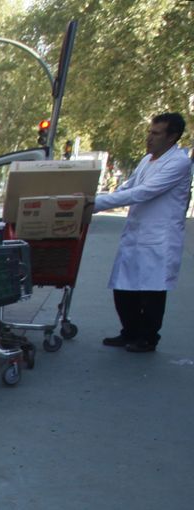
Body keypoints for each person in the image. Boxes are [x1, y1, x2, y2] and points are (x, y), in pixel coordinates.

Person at [94, 112, 191, 354]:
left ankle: (147, 338)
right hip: (136, 234)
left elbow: (144, 192)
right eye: (150, 131)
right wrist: (94, 198)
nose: (149, 137)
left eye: (156, 133)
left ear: (172, 137)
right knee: (123, 287)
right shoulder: (147, 160)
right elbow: (129, 187)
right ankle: (129, 331)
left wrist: (93, 205)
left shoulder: (179, 162)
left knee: (152, 291)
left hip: (159, 237)